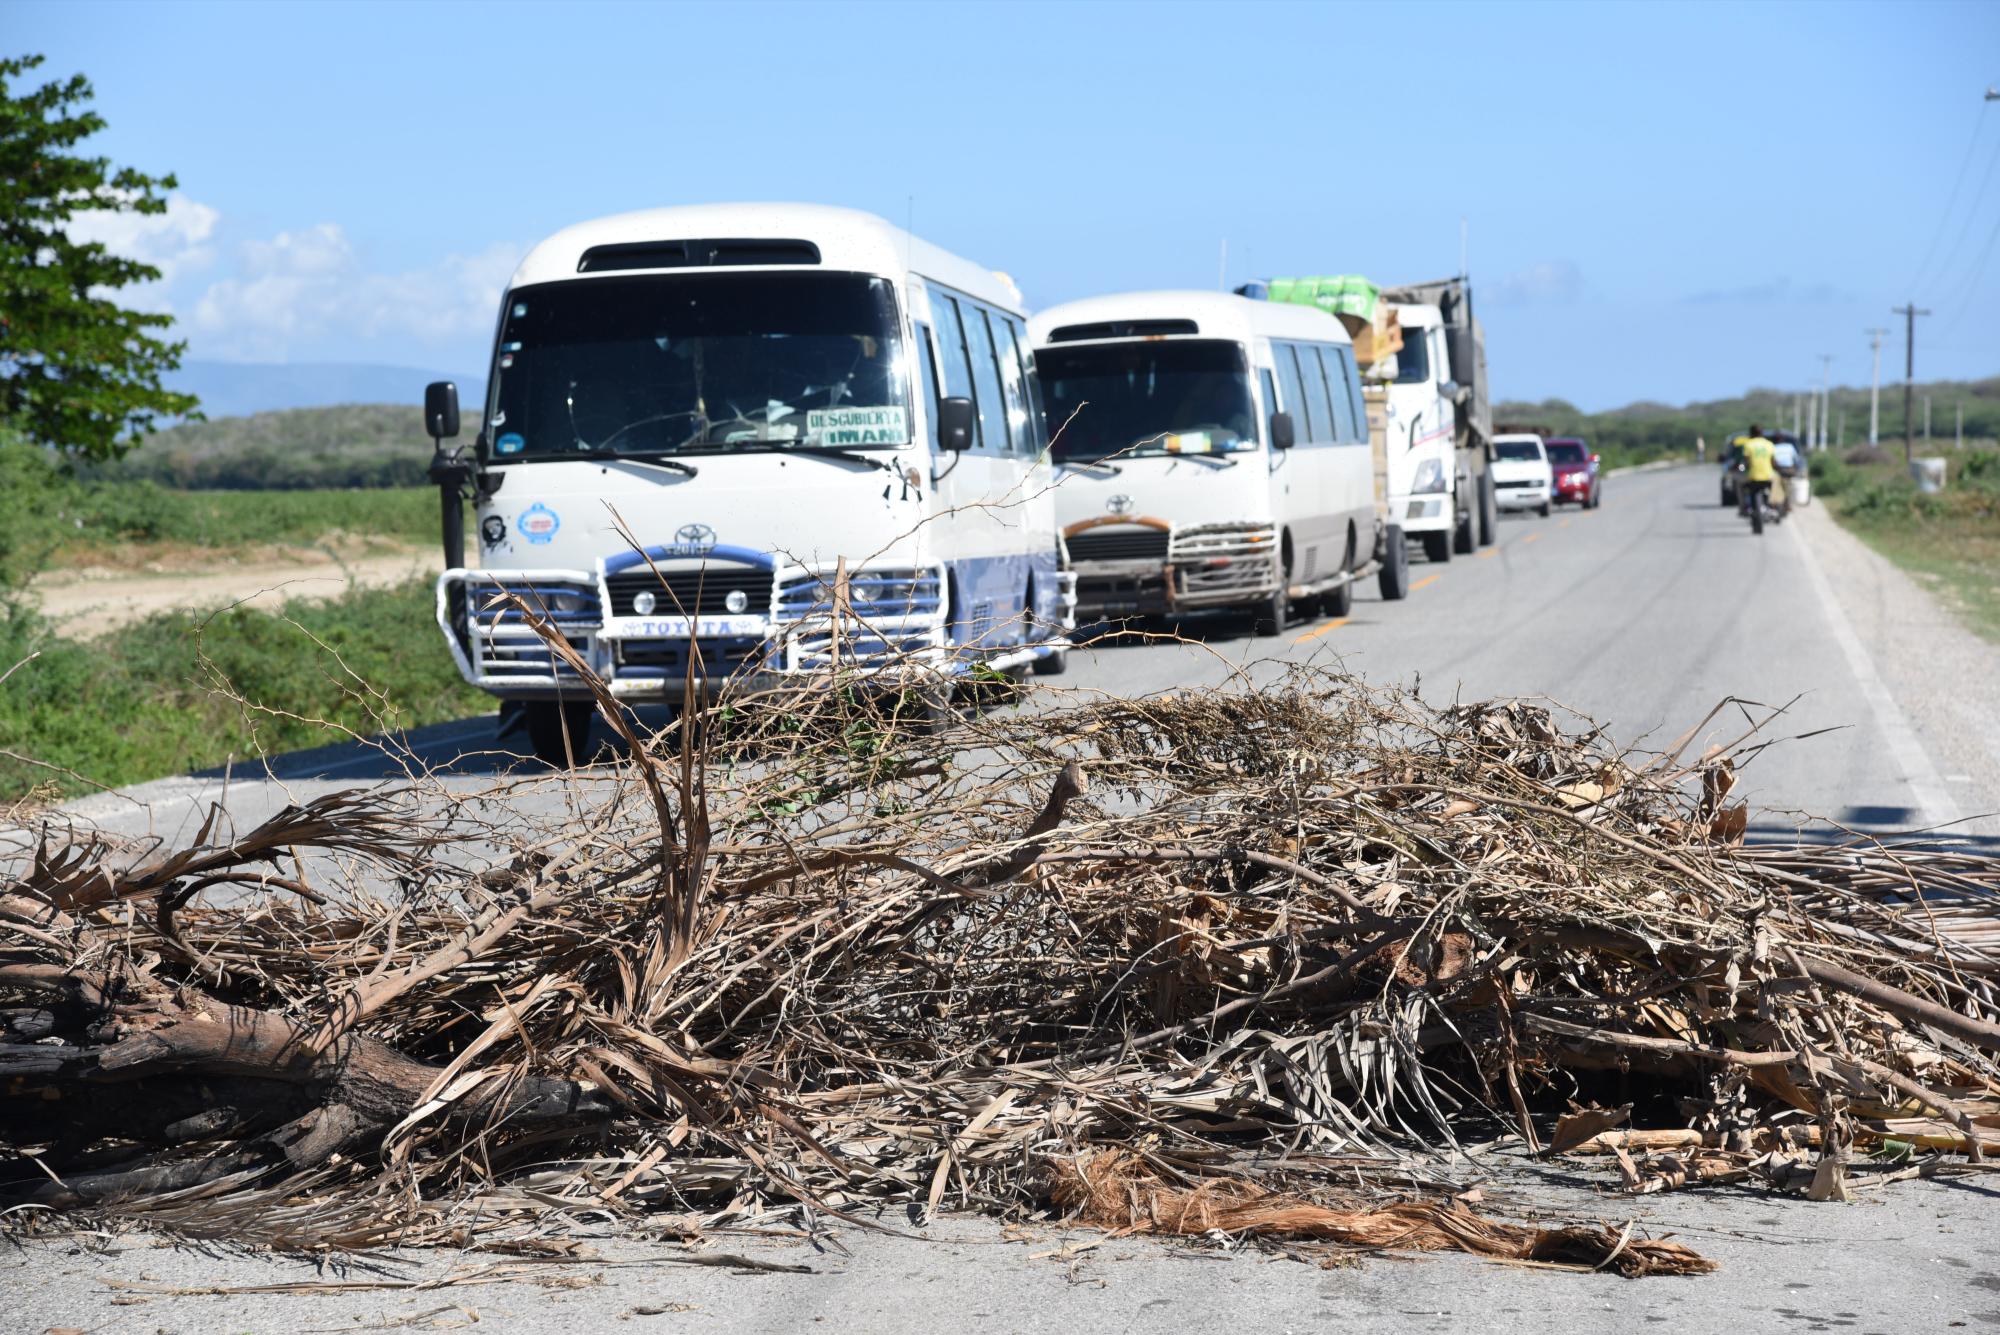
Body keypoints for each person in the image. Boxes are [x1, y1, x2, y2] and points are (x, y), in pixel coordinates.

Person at [1740, 424, 1777, 521]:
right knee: (1772, 491)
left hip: (1753, 476)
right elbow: (1773, 463)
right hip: (1768, 476)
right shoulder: (1769, 444)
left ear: (1751, 433)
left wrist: (1742, 468)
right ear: (1762, 433)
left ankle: (1746, 508)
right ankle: (1772, 507)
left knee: (1744, 488)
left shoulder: (1748, 444)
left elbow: (1746, 463)